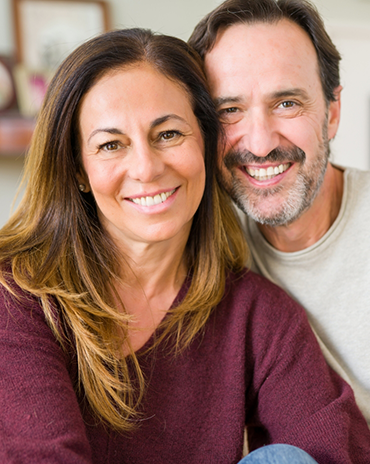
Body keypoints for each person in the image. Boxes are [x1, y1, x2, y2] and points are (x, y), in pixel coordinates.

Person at [0, 28, 369, 464]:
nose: (146, 168)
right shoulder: (18, 297)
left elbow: (332, 450)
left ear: (206, 143)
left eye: (168, 134)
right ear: (78, 170)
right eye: (110, 144)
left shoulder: (256, 313)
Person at [189, 0, 370, 427]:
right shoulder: (205, 251)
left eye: (287, 103)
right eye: (229, 110)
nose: (261, 142)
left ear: (332, 113)